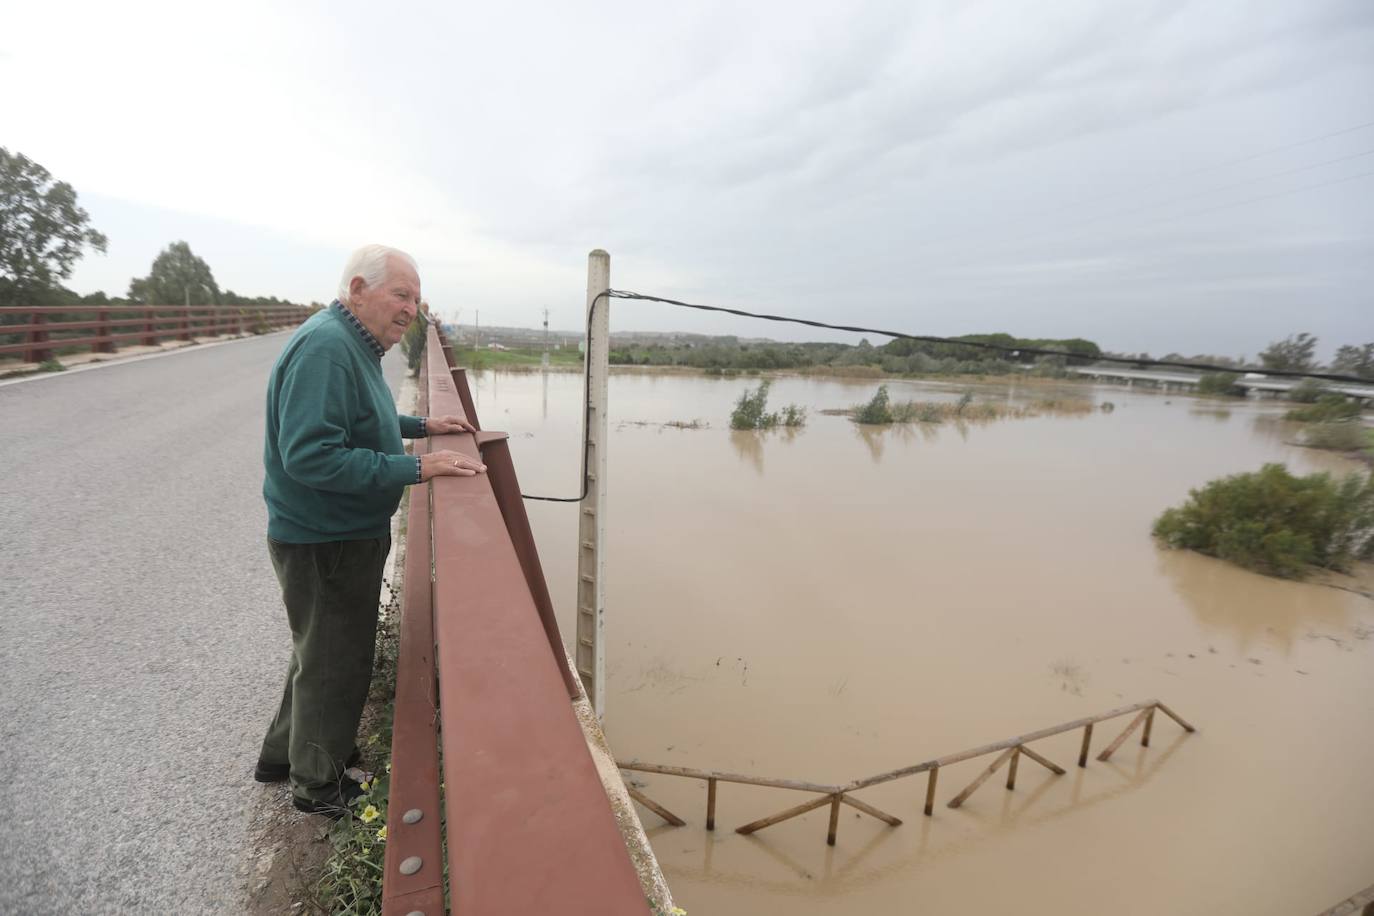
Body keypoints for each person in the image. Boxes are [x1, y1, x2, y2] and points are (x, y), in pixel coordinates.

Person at [254, 244, 484, 817]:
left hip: (330, 531)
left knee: (320, 651)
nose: (411, 309)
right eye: (400, 295)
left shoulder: (351, 344)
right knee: (336, 659)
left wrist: (421, 425)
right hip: (324, 538)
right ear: (358, 289)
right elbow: (310, 455)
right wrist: (415, 465)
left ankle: (285, 756)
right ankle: (317, 785)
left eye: (416, 298)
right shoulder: (329, 348)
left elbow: (364, 418)